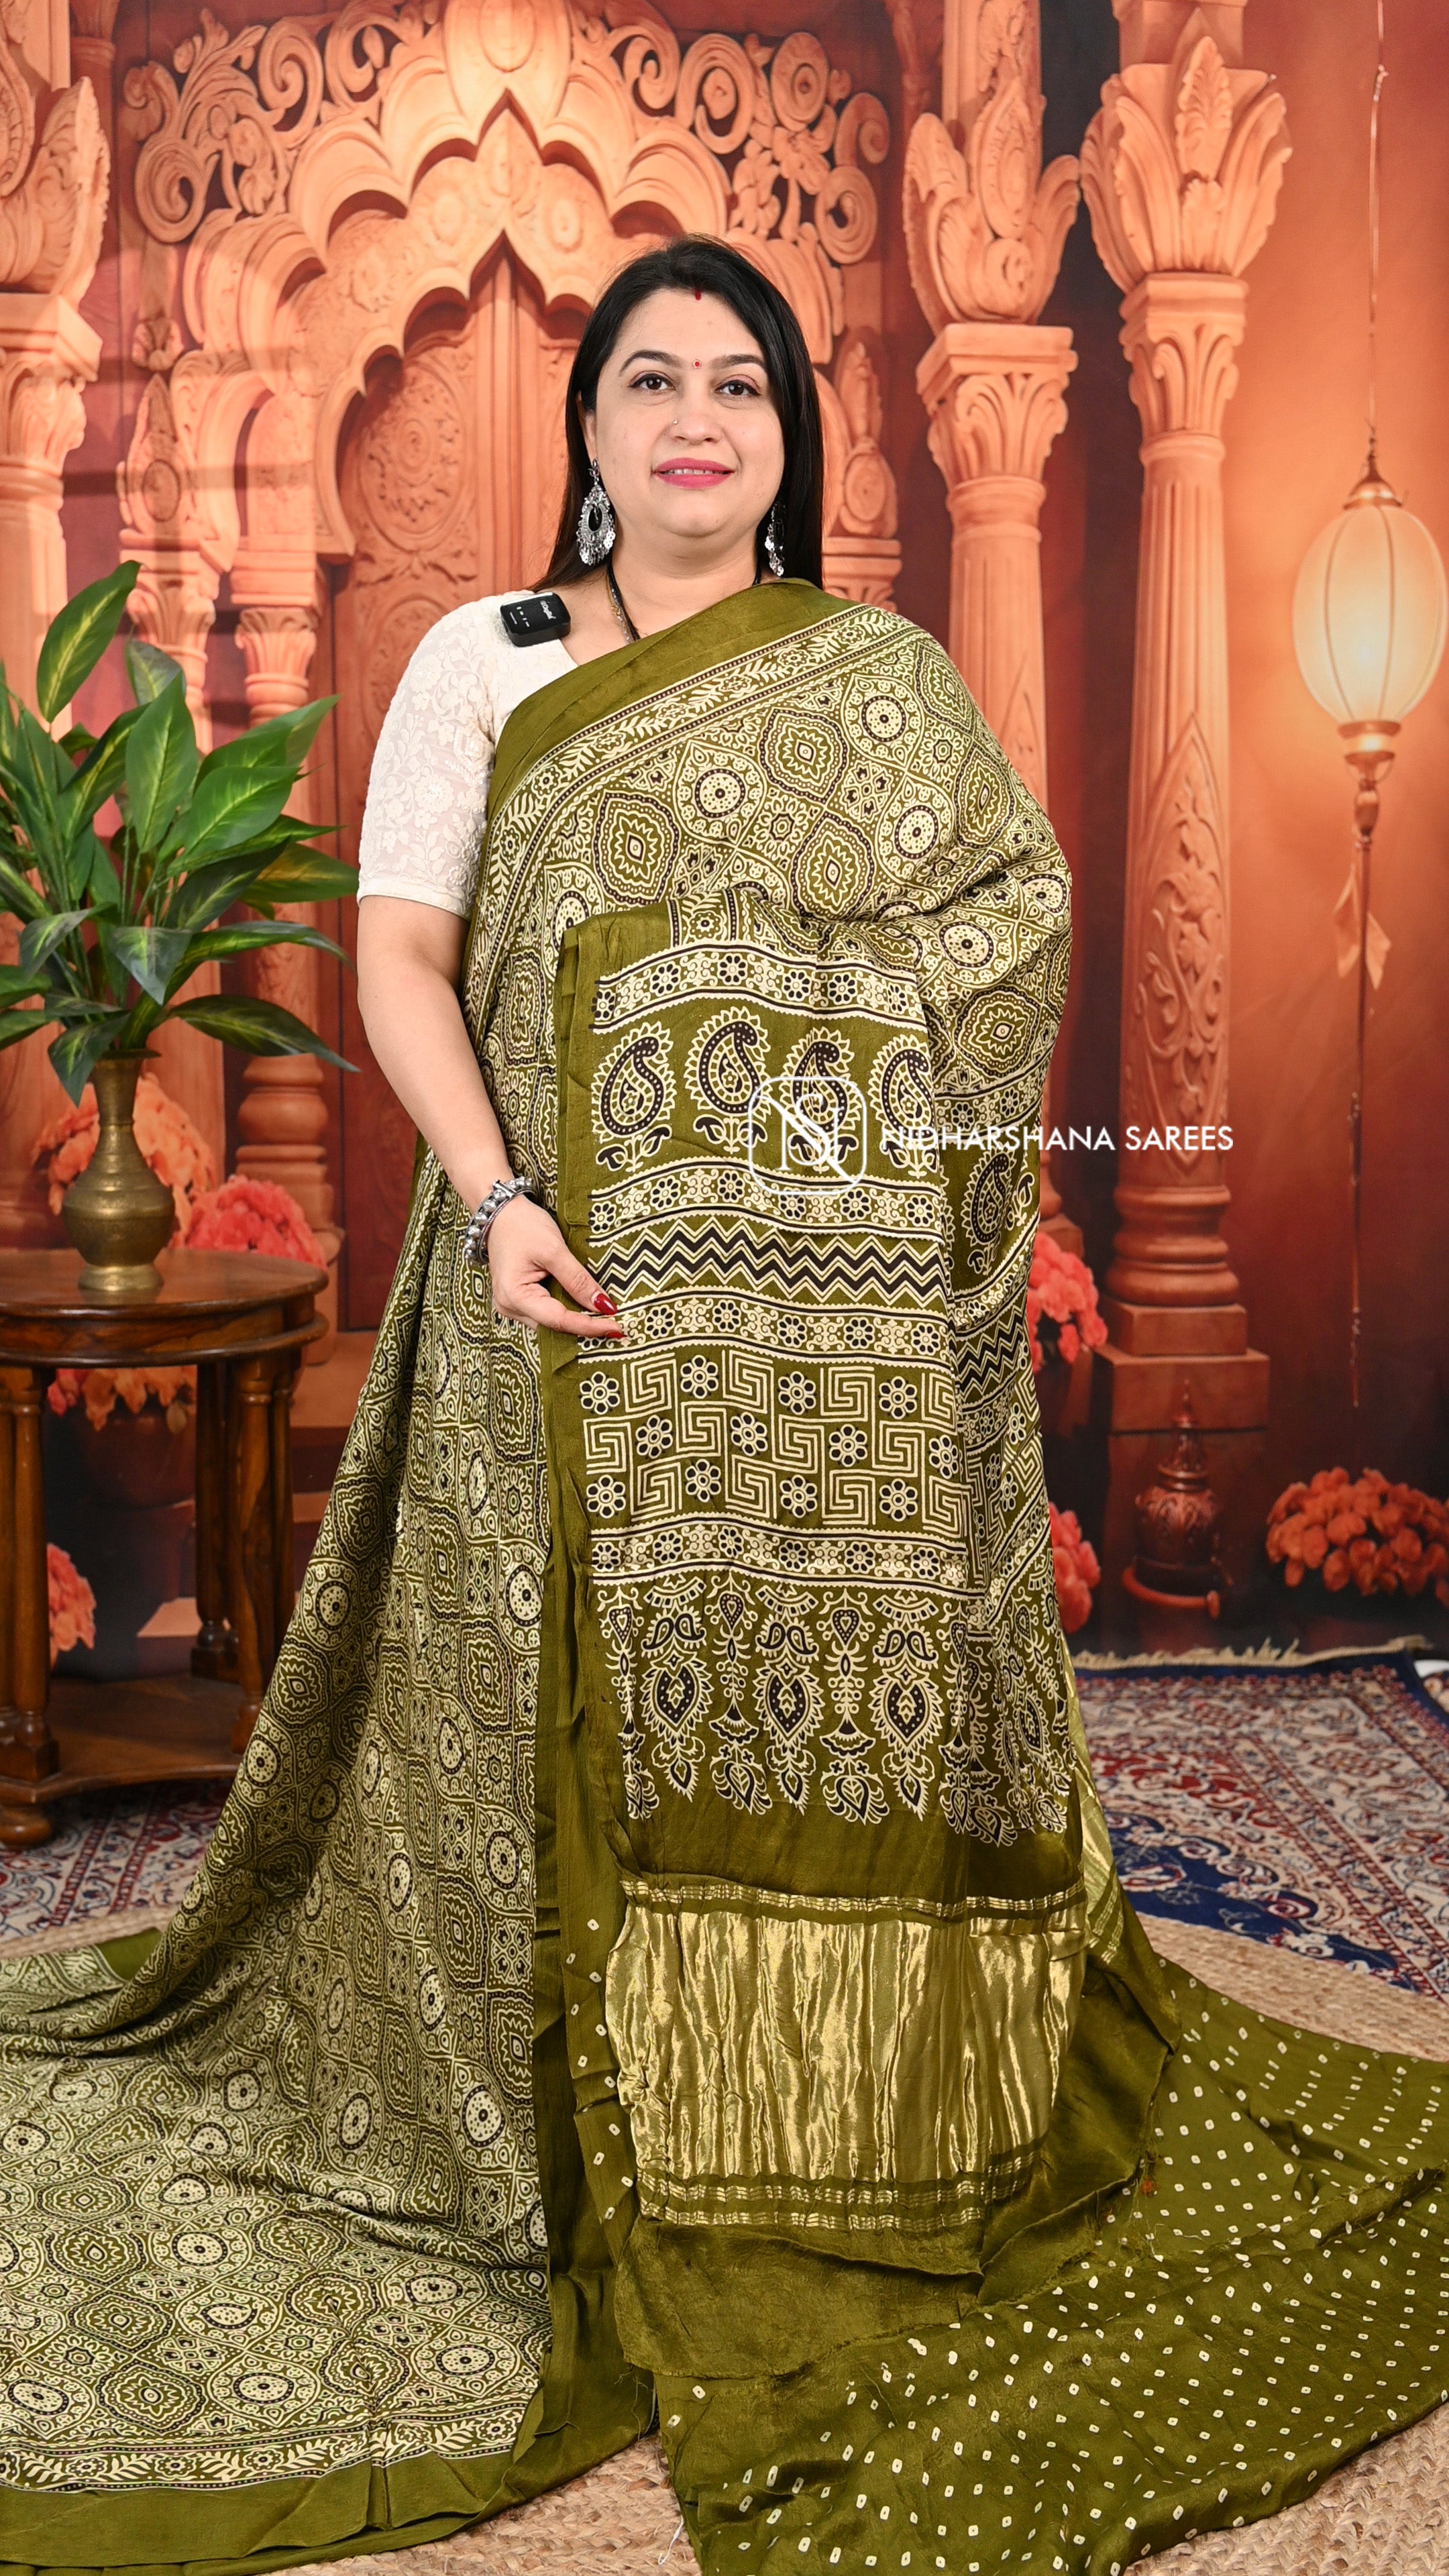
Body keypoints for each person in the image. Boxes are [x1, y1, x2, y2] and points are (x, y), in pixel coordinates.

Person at [0, 235, 1445, 2576]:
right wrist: (494, 1198)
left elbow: (1005, 927)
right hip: (549, 1302)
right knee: (538, 1752)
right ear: (591, 431)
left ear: (790, 437)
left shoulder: (876, 684)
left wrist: (809, 1102)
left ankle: (831, 2114)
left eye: (742, 386)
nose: (697, 420)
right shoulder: (486, 665)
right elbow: (401, 962)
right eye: (653, 381)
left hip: (811, 1346)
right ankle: (552, 2115)